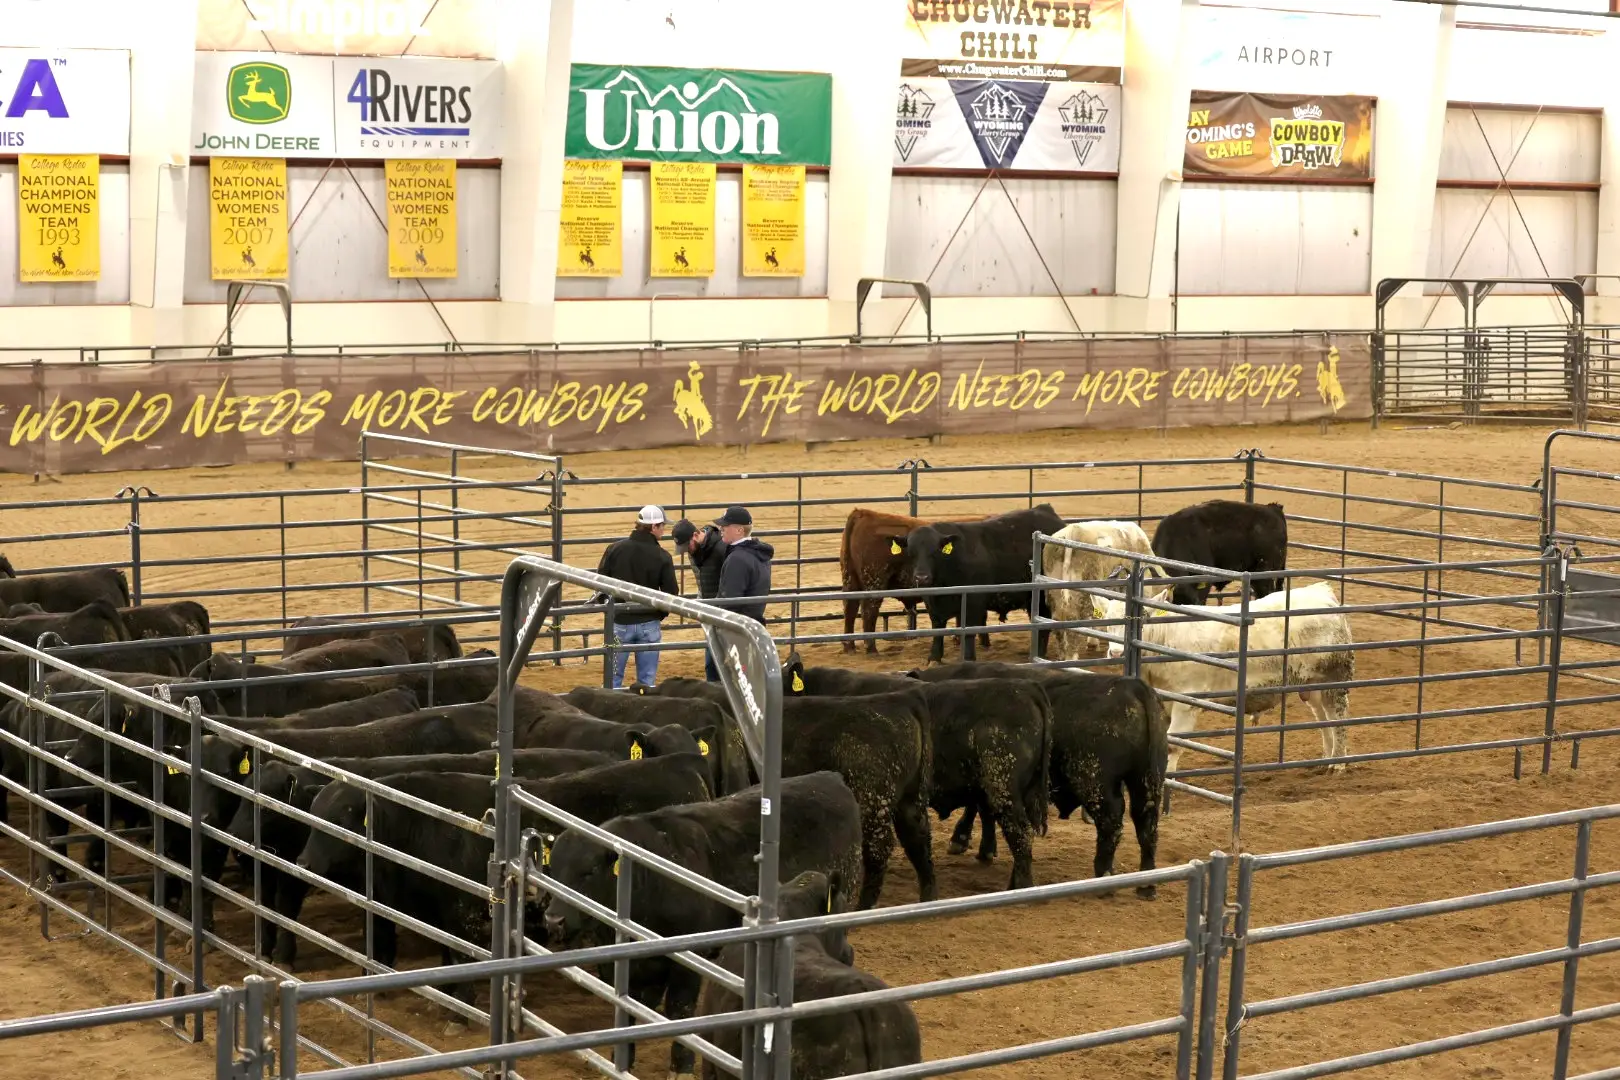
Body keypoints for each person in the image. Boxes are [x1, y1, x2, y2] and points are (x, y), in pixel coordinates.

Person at [595, 505, 678, 688]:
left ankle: (610, 710)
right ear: (654, 527)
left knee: (613, 677)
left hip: (619, 623)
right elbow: (671, 593)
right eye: (662, 526)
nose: (664, 530)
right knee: (647, 681)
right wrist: (658, 614)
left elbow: (599, 585)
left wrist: (611, 612)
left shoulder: (614, 549)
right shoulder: (662, 556)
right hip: (649, 624)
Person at [671, 517, 729, 681]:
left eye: (686, 545)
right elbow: (701, 581)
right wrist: (701, 602)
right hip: (711, 612)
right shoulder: (695, 552)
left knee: (723, 661)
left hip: (724, 612)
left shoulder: (721, 549)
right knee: (712, 663)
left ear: (696, 535)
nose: (686, 551)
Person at [715, 505, 774, 628]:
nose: (721, 528)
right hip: (754, 625)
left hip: (737, 627)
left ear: (739, 530)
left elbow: (730, 602)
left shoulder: (737, 559)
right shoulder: (759, 553)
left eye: (725, 525)